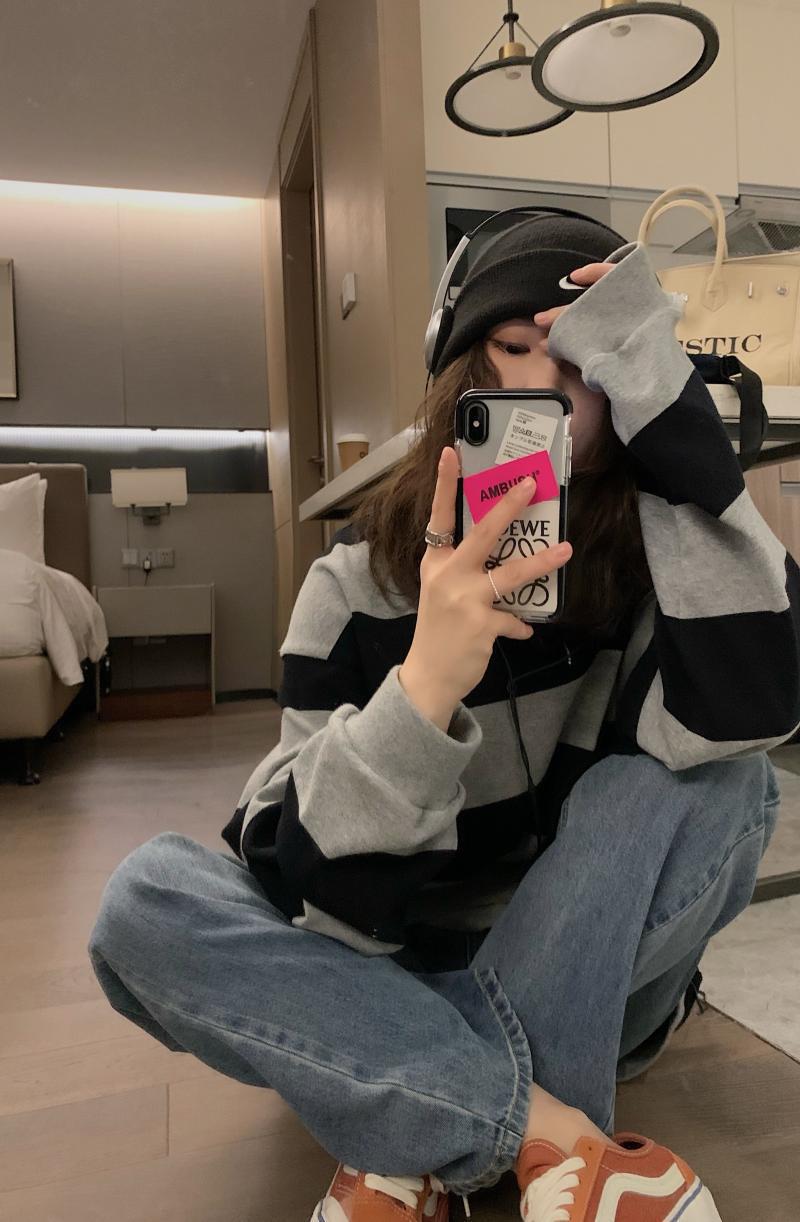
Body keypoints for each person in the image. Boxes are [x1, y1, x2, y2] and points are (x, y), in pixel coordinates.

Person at [88, 215, 800, 1222]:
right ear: (462, 373)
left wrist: (668, 406)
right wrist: (424, 685)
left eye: (590, 361)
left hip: (576, 961)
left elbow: (757, 707)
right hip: (384, 964)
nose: (549, 387)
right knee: (146, 897)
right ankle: (552, 1136)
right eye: (515, 347)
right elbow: (299, 881)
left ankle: (412, 1116)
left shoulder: (662, 563)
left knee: (724, 777)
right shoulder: (352, 586)